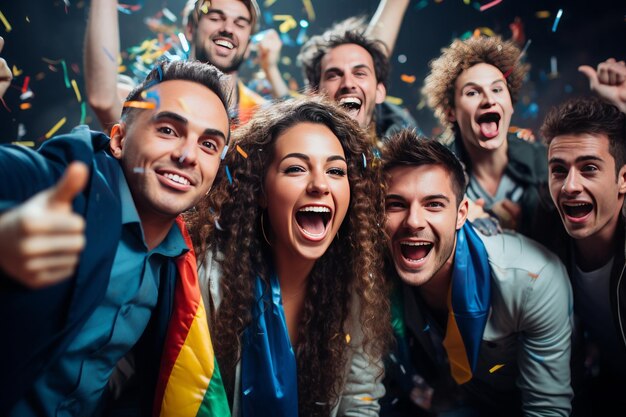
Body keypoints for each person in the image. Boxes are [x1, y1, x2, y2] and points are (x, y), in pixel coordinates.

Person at [0, 60, 231, 416]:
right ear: (119, 140)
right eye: (168, 130)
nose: (187, 156)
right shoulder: (64, 183)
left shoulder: (181, 264)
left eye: (209, 145)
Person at [186, 97, 391, 416]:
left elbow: (360, 399)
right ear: (261, 191)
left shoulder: (355, 284)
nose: (320, 185)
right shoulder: (207, 278)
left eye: (335, 170)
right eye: (296, 168)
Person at [380, 130, 573, 416]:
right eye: (396, 204)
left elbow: (547, 409)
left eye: (433, 204)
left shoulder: (531, 279)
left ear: (461, 214)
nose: (413, 222)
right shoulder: (374, 277)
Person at [541, 94, 626, 414]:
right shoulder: (543, 229)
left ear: (623, 179)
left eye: (589, 168)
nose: (569, 186)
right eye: (558, 170)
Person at [422, 36, 549, 237]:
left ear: (511, 103)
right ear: (451, 112)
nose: (489, 100)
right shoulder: (434, 175)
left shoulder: (546, 163)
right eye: (472, 93)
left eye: (497, 89)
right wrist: (459, 221)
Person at [84, 0, 267, 131]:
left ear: (249, 43)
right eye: (215, 18)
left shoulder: (261, 116)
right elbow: (104, 99)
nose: (228, 28)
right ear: (189, 29)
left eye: (240, 24)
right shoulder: (150, 99)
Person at [297, 17, 417, 146]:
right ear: (314, 94)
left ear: (379, 92)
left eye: (360, 74)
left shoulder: (406, 152)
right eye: (333, 76)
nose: (348, 83)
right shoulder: (300, 149)